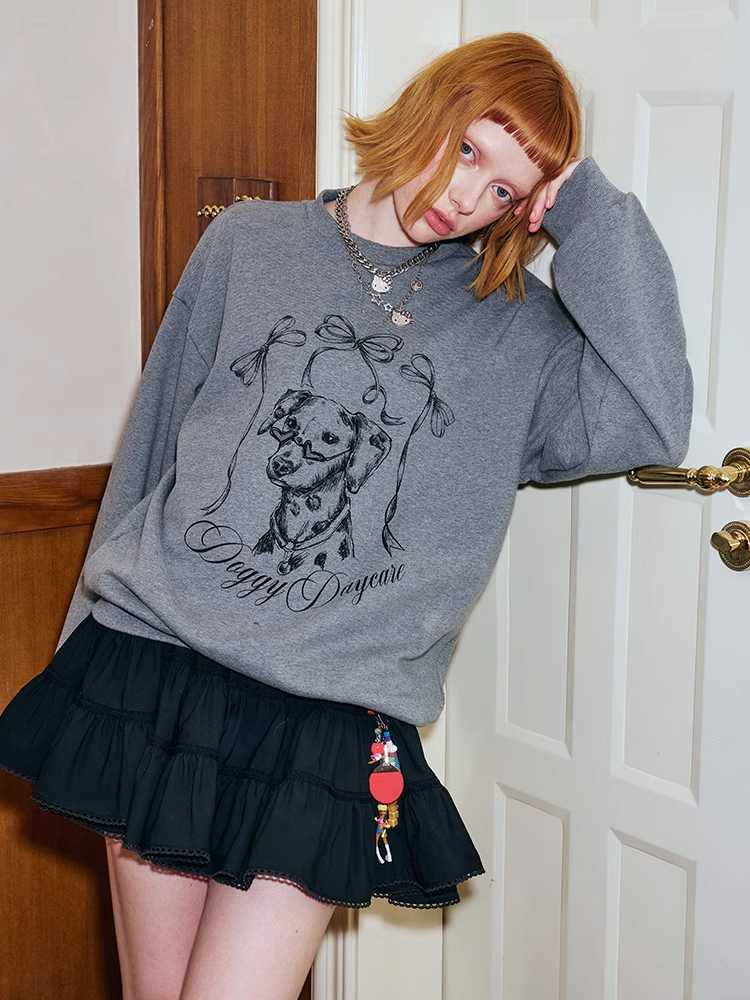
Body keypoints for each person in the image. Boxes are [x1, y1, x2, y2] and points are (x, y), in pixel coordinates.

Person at [0, 30, 693, 1000]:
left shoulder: (519, 332)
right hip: (153, 669)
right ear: (429, 109)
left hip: (327, 719)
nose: (468, 195)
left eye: (506, 188)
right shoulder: (249, 242)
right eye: (468, 148)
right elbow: (154, 444)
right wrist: (84, 646)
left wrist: (588, 210)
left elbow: (654, 415)